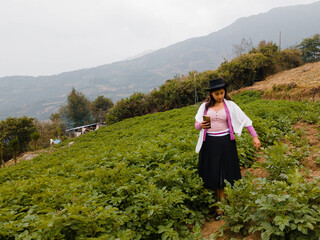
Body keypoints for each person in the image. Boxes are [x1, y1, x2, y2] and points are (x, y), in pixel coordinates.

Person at [195, 77, 261, 220]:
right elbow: (196, 124)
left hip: (225, 143)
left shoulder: (230, 105)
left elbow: (245, 120)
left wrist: (254, 136)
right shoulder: (204, 107)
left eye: (222, 93)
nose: (220, 96)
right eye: (217, 94)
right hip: (210, 144)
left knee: (224, 175)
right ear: (211, 94)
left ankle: (221, 208)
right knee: (215, 174)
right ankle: (221, 203)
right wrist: (201, 125)